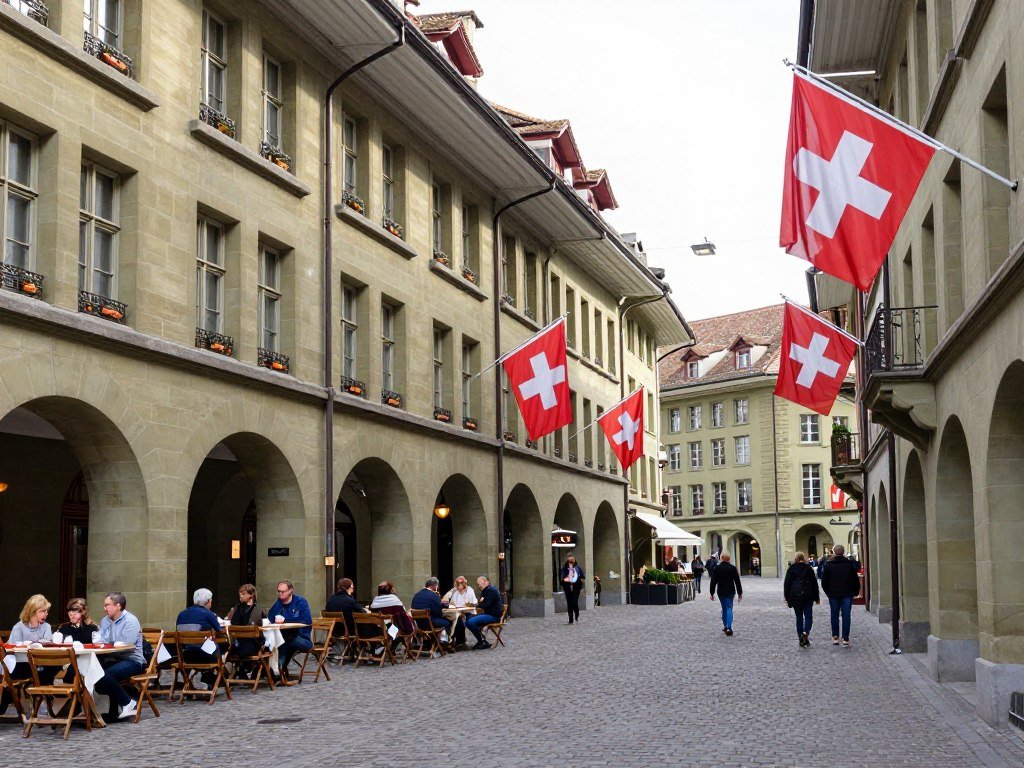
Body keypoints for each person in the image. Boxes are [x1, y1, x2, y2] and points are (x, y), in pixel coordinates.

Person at [94, 591, 145, 720]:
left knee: (105, 676)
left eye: (107, 605)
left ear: (118, 606)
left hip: (132, 660)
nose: (104, 608)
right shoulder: (105, 620)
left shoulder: (130, 621)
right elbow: (101, 639)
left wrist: (107, 643)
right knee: (94, 673)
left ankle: (128, 702)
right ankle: (116, 708)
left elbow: (127, 645)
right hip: (113, 658)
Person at [176, 587, 224, 690]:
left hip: (186, 656)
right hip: (205, 656)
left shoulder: (181, 614)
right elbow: (220, 632)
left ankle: (200, 680)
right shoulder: (208, 614)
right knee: (221, 646)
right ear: (207, 601)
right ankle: (211, 677)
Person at [6, 594, 59, 688]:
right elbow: (12, 649)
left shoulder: (46, 626)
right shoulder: (19, 627)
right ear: (32, 612)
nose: (46, 613)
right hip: (21, 664)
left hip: (41, 662)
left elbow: (48, 647)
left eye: (47, 611)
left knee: (54, 666)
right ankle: (42, 695)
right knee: (43, 670)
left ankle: (42, 694)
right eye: (42, 611)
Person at [267, 580, 313, 684]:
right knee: (271, 642)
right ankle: (273, 670)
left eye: (283, 591)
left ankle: (278, 670)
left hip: (302, 637)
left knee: (285, 642)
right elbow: (270, 618)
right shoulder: (279, 603)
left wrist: (286, 621)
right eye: (279, 591)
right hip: (283, 635)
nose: (280, 594)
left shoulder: (300, 602)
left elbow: (306, 621)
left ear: (291, 591)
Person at [821, 544, 860, 647]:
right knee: (846, 616)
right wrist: (855, 592)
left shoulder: (828, 565)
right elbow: (855, 580)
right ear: (843, 552)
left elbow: (824, 582)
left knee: (834, 615)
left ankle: (835, 637)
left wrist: (828, 592)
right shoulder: (849, 564)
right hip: (847, 594)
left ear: (834, 552)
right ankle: (845, 638)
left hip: (833, 594)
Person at [226, 584, 267, 673]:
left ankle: (245, 668)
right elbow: (233, 622)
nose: (240, 595)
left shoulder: (257, 609)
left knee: (238, 648)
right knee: (228, 646)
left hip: (252, 641)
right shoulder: (238, 607)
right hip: (240, 640)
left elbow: (255, 624)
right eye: (239, 593)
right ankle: (243, 668)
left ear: (251, 595)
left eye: (243, 594)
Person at [784, 552, 821, 647]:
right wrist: (816, 598)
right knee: (808, 617)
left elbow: (787, 584)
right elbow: (814, 584)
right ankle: (806, 632)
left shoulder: (791, 569)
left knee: (799, 617)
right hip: (808, 596)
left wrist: (787, 598)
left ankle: (801, 637)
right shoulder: (809, 568)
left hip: (796, 597)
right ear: (803, 558)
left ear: (795, 558)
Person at [369, 581, 414, 653]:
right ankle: (391, 649)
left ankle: (385, 649)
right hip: (391, 631)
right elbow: (402, 616)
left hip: (376, 630)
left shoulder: (376, 600)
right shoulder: (394, 600)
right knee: (400, 630)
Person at [709, 553, 742, 636]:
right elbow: (737, 581)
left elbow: (713, 581)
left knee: (724, 608)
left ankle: (725, 626)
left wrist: (712, 592)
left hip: (721, 591)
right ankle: (729, 627)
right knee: (729, 608)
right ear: (729, 559)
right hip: (730, 591)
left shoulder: (717, 568)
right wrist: (739, 592)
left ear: (721, 559)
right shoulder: (732, 568)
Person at [411, 577, 451, 645]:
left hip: (418, 625)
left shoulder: (417, 595)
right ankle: (444, 644)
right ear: (434, 585)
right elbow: (439, 613)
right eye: (437, 585)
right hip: (429, 624)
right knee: (447, 622)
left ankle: (429, 644)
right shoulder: (434, 595)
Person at [465, 576, 503, 650]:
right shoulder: (486, 590)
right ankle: (481, 640)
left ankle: (480, 641)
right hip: (489, 614)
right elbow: (482, 605)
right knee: (468, 617)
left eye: (480, 584)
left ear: (486, 582)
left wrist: (480, 602)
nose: (479, 586)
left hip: (494, 616)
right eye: (478, 584)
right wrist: (480, 602)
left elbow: (485, 606)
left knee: (470, 622)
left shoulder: (490, 591)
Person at [440, 576, 476, 647]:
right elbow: (445, 599)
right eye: (458, 585)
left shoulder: (469, 590)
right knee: (452, 619)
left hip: (468, 612)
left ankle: (460, 641)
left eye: (461, 584)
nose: (459, 587)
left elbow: (472, 603)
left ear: (464, 584)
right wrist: (447, 599)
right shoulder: (454, 590)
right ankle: (452, 641)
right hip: (457, 611)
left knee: (459, 620)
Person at [560, 555, 584, 624]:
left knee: (574, 602)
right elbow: (562, 578)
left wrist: (580, 583)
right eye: (570, 560)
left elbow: (582, 576)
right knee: (569, 603)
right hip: (567, 587)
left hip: (576, 587)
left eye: (573, 559)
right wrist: (564, 585)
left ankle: (576, 612)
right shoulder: (565, 569)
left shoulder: (577, 568)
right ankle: (570, 619)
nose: (572, 561)